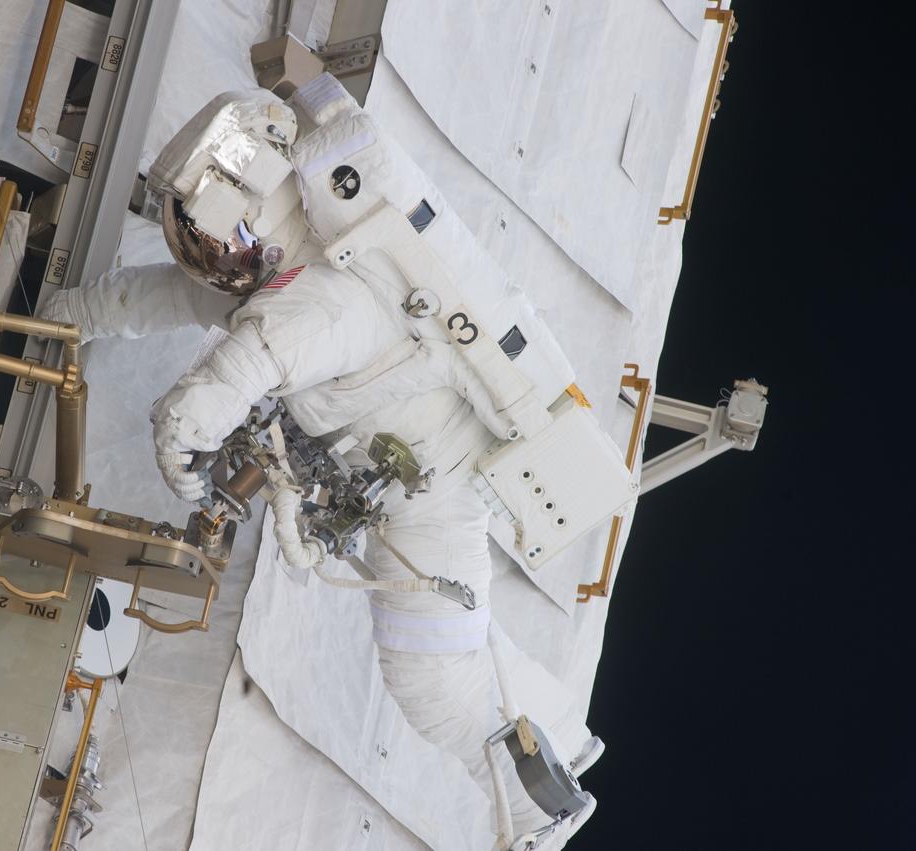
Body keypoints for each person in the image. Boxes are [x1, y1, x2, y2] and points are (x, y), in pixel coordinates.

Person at [43, 79, 600, 849]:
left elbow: (256, 357)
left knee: (431, 676)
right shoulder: (266, 280)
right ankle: (562, 741)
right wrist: (57, 319)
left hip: (429, 495)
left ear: (256, 214)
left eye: (213, 243)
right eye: (198, 246)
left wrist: (182, 426)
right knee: (459, 643)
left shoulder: (328, 297)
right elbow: (151, 300)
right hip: (397, 486)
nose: (207, 262)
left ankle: (542, 810)